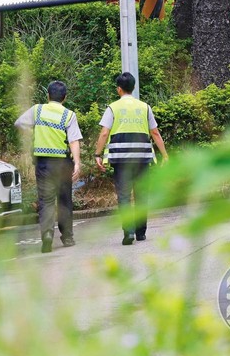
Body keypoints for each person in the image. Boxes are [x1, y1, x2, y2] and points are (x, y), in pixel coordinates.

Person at [94, 72, 168, 245]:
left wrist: (97, 154)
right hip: (142, 158)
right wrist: (165, 155)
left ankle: (128, 232)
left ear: (118, 89)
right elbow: (155, 132)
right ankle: (141, 233)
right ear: (133, 88)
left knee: (124, 196)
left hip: (121, 159)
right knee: (142, 195)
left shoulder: (113, 107)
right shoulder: (145, 107)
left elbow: (104, 132)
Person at [15, 81, 82, 253]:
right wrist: (77, 162)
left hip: (43, 163)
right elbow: (74, 140)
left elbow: (19, 123)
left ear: (48, 96)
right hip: (62, 163)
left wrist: (34, 132)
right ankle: (67, 237)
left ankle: (46, 235)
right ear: (65, 97)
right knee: (64, 200)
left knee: (46, 200)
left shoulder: (37, 110)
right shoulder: (68, 114)